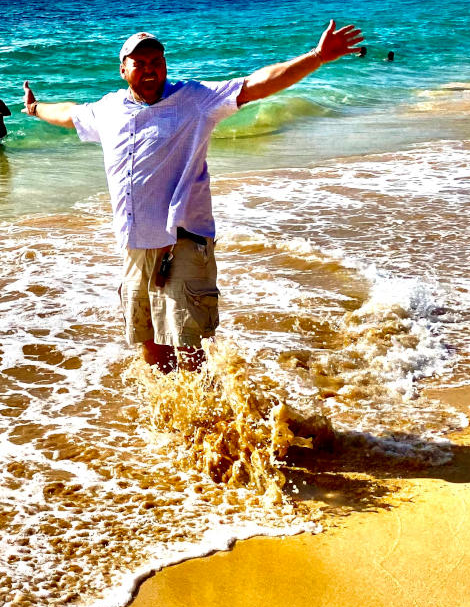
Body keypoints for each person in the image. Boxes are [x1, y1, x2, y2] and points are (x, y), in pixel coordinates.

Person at [23, 21, 364, 373]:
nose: (151, 68)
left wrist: (317, 56)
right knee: (151, 347)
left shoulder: (196, 101)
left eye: (157, 60)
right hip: (136, 246)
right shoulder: (108, 109)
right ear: (123, 69)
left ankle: (209, 421)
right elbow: (67, 113)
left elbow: (256, 84)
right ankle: (171, 422)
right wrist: (35, 109)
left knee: (191, 350)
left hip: (182, 241)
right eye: (140, 63)